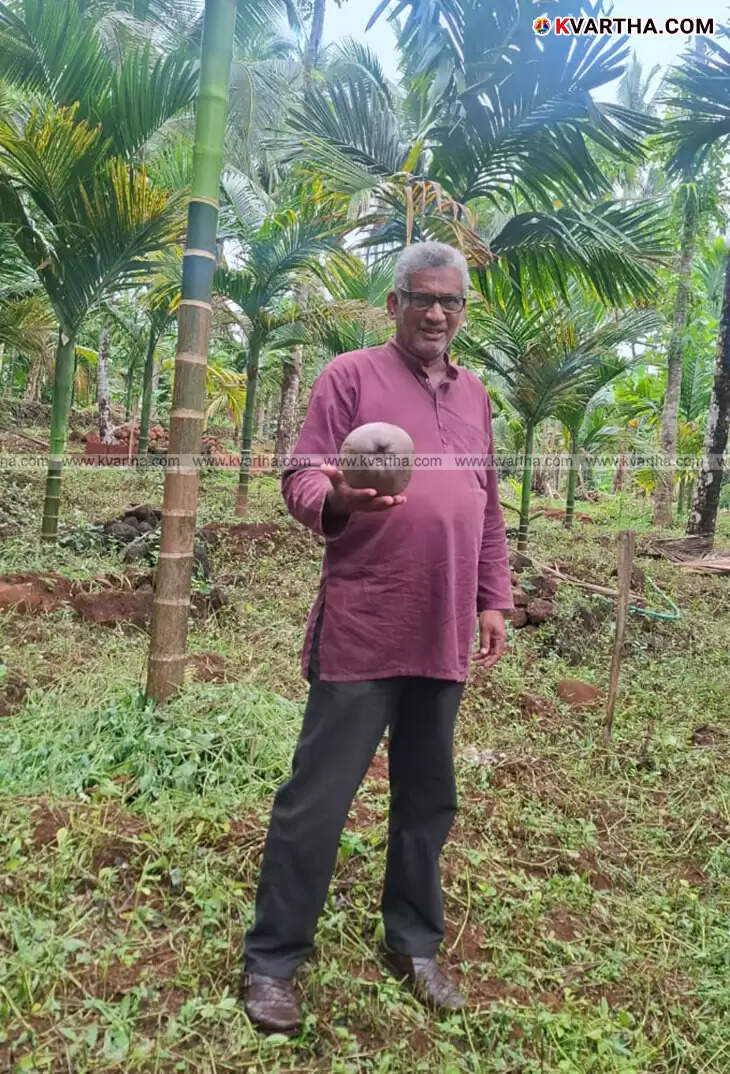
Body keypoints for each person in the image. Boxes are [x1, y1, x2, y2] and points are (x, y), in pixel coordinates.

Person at [240, 241, 513, 1034]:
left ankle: (415, 944)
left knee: (428, 797)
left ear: (463, 312)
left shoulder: (476, 396)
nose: (435, 313)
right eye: (420, 298)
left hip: (444, 624)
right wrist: (342, 502)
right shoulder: (349, 376)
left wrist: (493, 596)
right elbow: (300, 476)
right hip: (365, 619)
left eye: (450, 302)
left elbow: (486, 503)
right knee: (317, 800)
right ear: (393, 304)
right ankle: (273, 962)